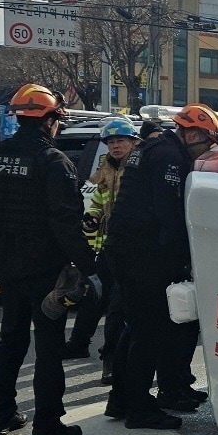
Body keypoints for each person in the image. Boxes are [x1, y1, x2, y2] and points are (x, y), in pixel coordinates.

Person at [0, 84, 99, 435]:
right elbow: (65, 223)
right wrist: (91, 269)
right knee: (49, 348)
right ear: (52, 119)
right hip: (45, 272)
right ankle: (48, 426)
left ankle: (2, 414)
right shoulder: (54, 162)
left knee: (10, 341)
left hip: (7, 266)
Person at [105, 104, 218, 430]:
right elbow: (168, 214)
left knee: (135, 329)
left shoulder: (152, 148)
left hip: (126, 250)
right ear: (190, 133)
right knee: (149, 332)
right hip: (142, 254)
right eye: (208, 142)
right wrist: (183, 259)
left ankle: (122, 399)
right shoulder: (169, 157)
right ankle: (138, 408)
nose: (209, 149)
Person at [65, 118, 140, 380]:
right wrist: (92, 216)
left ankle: (110, 361)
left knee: (118, 307)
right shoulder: (106, 168)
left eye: (121, 140)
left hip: (132, 249)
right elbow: (98, 201)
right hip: (109, 246)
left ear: (133, 142)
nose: (115, 146)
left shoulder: (138, 167)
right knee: (95, 295)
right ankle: (79, 344)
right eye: (111, 142)